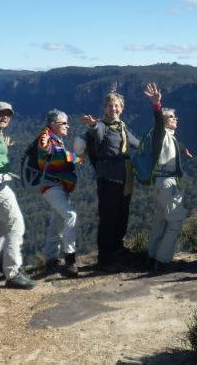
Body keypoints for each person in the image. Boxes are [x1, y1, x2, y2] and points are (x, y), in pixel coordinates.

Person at [0, 102, 36, 289]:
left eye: (8, 114)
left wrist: (4, 144)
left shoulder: (0, 134)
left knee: (1, 224)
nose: (5, 117)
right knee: (16, 225)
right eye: (1, 114)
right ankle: (13, 273)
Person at [81, 92, 139, 272]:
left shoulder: (121, 126)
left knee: (122, 213)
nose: (113, 109)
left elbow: (137, 143)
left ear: (121, 109)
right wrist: (92, 124)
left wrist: (156, 142)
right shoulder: (101, 126)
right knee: (108, 215)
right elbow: (95, 132)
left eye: (116, 106)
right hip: (108, 178)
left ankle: (117, 247)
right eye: (110, 106)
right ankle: (104, 256)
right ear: (104, 108)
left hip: (124, 177)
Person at [143, 83, 192, 271]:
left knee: (160, 221)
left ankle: (152, 256)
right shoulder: (160, 133)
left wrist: (182, 149)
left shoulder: (169, 137)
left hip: (159, 183)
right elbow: (157, 122)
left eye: (175, 116)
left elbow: (173, 144)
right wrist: (157, 105)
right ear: (164, 121)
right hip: (167, 183)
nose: (175, 119)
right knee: (175, 221)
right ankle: (162, 262)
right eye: (171, 117)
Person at [38, 109, 83, 277]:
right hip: (51, 186)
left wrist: (76, 158)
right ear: (53, 125)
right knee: (71, 215)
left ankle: (50, 259)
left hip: (58, 187)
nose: (67, 126)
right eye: (64, 123)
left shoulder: (57, 139)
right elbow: (55, 156)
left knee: (56, 222)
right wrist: (76, 158)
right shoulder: (46, 137)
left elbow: (61, 156)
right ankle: (70, 260)